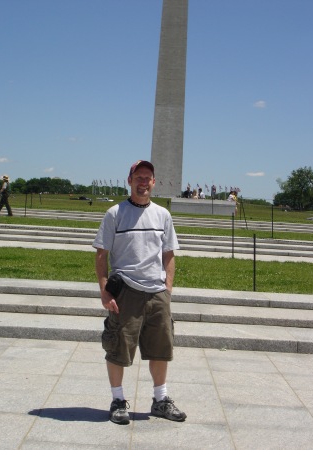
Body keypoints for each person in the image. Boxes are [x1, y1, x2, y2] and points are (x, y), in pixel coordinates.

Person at [93, 160, 186, 425]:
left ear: (154, 182)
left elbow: (168, 254)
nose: (143, 182)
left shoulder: (163, 215)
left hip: (157, 293)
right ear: (129, 180)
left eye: (148, 178)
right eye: (139, 177)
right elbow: (102, 254)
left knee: (160, 349)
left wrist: (167, 289)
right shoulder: (115, 213)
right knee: (118, 348)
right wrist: (104, 291)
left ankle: (160, 400)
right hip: (127, 292)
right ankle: (118, 400)